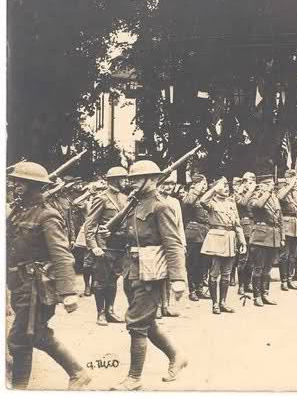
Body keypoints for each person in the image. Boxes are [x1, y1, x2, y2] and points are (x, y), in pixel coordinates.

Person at [7, 162, 92, 390]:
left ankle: (19, 389)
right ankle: (77, 372)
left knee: (20, 339)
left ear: (33, 186)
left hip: (37, 288)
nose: (14, 186)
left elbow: (61, 255)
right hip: (20, 285)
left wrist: (68, 292)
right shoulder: (18, 211)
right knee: (33, 335)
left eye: (20, 182)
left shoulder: (47, 215)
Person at [112, 160, 188, 390]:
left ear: (153, 179)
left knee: (136, 323)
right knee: (147, 322)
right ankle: (177, 357)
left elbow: (173, 244)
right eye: (132, 178)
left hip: (151, 272)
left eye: (137, 178)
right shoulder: (134, 203)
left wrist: (178, 278)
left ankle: (134, 378)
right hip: (132, 269)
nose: (132, 181)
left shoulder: (160, 206)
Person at [84, 166, 129, 326]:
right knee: (101, 280)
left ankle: (110, 311)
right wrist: (93, 245)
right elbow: (90, 225)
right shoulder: (101, 198)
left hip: (119, 246)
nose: (126, 181)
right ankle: (100, 313)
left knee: (113, 280)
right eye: (123, 178)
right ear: (114, 179)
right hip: (104, 247)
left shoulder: (125, 198)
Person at [200, 177, 247, 313]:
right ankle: (215, 304)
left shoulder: (231, 202)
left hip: (230, 239)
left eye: (227, 186)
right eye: (223, 186)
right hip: (216, 239)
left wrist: (242, 241)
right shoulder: (212, 202)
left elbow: (237, 224)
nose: (226, 188)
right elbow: (202, 201)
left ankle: (223, 302)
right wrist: (214, 189)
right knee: (214, 273)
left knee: (226, 274)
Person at [248, 174, 283, 306]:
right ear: (260, 186)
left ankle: (265, 294)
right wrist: (267, 192)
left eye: (270, 185)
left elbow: (280, 219)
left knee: (267, 269)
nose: (270, 188)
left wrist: (282, 237)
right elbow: (257, 206)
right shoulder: (255, 196)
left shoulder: (274, 198)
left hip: (273, 236)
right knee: (258, 268)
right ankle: (256, 296)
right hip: (260, 237)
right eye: (267, 185)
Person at [157, 174, 186, 318]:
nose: (169, 186)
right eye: (166, 183)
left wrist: (182, 243)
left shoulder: (174, 202)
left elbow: (179, 224)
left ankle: (165, 306)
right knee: (157, 275)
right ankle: (156, 306)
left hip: (172, 242)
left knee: (170, 275)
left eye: (172, 184)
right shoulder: (154, 200)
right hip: (157, 243)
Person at [182, 174, 210, 301]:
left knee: (203, 263)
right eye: (203, 184)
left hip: (205, 233)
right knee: (192, 263)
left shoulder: (206, 197)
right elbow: (188, 202)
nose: (205, 186)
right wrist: (197, 189)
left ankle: (200, 288)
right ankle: (192, 290)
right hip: (193, 233)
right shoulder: (189, 195)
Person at [277, 169, 297, 291]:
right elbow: (280, 197)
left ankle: (290, 279)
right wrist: (289, 185)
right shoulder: (283, 190)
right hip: (287, 225)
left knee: (293, 255)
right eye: (292, 178)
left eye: (295, 179)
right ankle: (283, 281)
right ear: (287, 179)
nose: (294, 181)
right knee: (284, 255)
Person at [235, 172, 257, 295]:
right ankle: (241, 285)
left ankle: (248, 283)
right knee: (243, 258)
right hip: (245, 227)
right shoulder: (238, 194)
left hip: (256, 227)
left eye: (253, 180)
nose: (252, 183)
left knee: (252, 259)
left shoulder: (256, 193)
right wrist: (249, 191)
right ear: (244, 182)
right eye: (249, 181)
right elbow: (242, 203)